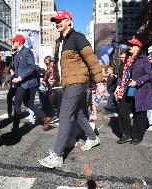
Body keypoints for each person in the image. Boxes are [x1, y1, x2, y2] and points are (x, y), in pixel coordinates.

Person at [38, 10, 105, 168]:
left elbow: (92, 61)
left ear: (69, 20)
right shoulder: (59, 42)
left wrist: (100, 82)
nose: (57, 22)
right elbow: (61, 66)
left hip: (77, 83)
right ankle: (92, 136)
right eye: (56, 20)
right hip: (67, 84)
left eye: (60, 19)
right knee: (78, 113)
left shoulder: (78, 38)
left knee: (65, 114)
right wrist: (56, 77)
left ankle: (57, 155)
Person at [114, 38, 152, 145]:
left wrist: (137, 81)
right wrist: (118, 86)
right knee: (122, 111)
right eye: (129, 45)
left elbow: (149, 75)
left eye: (132, 45)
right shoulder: (127, 59)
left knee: (139, 114)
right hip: (127, 89)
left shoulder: (143, 58)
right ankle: (126, 134)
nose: (129, 47)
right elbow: (122, 75)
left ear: (138, 47)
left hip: (140, 89)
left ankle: (138, 136)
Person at [10, 34, 51, 131]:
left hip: (29, 83)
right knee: (29, 104)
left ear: (19, 42)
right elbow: (16, 68)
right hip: (22, 82)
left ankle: (15, 130)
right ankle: (45, 118)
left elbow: (32, 67)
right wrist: (13, 75)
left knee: (17, 102)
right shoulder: (16, 54)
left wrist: (19, 78)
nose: (12, 43)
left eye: (13, 41)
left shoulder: (27, 51)